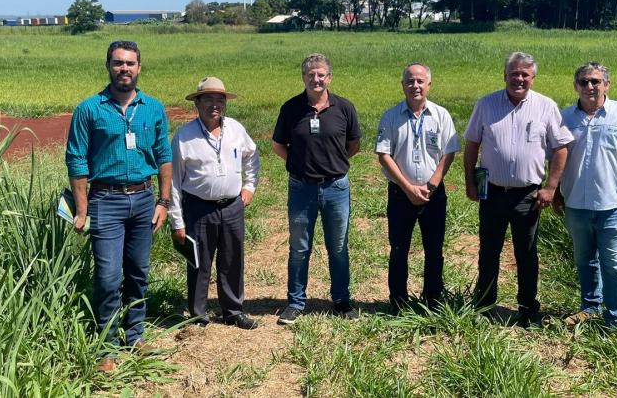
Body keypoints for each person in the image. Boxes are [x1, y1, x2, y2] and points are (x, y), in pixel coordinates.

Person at [65, 40, 172, 372]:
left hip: (143, 199)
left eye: (130, 63)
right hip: (105, 200)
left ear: (140, 67)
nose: (124, 69)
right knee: (109, 277)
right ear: (108, 66)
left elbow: (164, 156)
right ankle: (107, 345)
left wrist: (163, 202)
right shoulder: (89, 109)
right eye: (118, 63)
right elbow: (77, 160)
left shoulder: (153, 108)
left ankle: (134, 334)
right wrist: (82, 211)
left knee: (138, 272)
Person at [463, 51, 573, 327]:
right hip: (493, 192)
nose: (519, 79)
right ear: (505, 76)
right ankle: (485, 306)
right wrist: (470, 182)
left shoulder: (546, 107)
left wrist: (551, 187)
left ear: (533, 78)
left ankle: (527, 309)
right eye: (514, 73)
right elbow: (472, 145)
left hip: (528, 195)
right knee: (489, 251)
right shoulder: (486, 104)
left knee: (526, 254)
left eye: (525, 74)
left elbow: (561, 149)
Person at [553, 62, 617, 329]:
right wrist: (554, 192)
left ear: (606, 84)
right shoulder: (564, 118)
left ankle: (615, 321)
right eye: (584, 82)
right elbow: (555, 159)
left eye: (595, 81)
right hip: (576, 205)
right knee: (584, 260)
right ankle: (590, 307)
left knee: (614, 265)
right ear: (576, 86)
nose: (590, 86)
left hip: (613, 206)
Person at [272, 53, 362, 325]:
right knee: (299, 248)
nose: (316, 79)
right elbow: (278, 145)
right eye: (310, 75)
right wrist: (300, 164)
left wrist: (335, 163)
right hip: (301, 189)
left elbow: (354, 144)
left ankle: (341, 301)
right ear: (303, 78)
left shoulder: (344, 108)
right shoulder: (291, 108)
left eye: (321, 74)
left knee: (338, 246)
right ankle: (296, 302)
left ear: (329, 78)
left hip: (336, 187)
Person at [169, 77, 260, 330]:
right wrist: (177, 220)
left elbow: (252, 156)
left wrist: (249, 187)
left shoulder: (236, 130)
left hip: (232, 206)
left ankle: (232, 311)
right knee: (199, 262)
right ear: (197, 103)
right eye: (207, 99)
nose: (214, 105)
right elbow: (174, 181)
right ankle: (198, 315)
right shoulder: (184, 136)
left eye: (219, 99)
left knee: (233, 259)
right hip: (198, 208)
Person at [375, 63, 460, 312]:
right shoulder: (391, 117)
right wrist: (409, 188)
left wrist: (432, 184)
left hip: (434, 195)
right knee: (399, 249)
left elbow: (449, 152)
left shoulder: (441, 115)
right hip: (401, 194)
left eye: (420, 81)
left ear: (429, 85)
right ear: (402, 85)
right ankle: (398, 302)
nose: (415, 86)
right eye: (410, 81)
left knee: (434, 249)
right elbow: (384, 155)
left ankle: (433, 300)